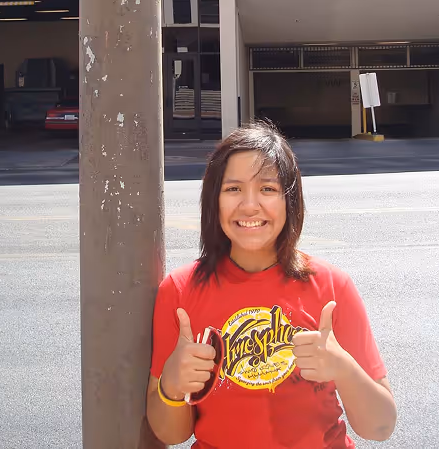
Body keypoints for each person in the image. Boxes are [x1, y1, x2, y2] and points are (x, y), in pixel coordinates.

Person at [147, 122, 397, 448]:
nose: (250, 206)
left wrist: (344, 369)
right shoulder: (179, 291)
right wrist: (172, 385)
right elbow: (171, 433)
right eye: (233, 189)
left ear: (290, 201)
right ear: (213, 200)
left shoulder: (332, 287)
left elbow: (380, 427)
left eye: (267, 189)